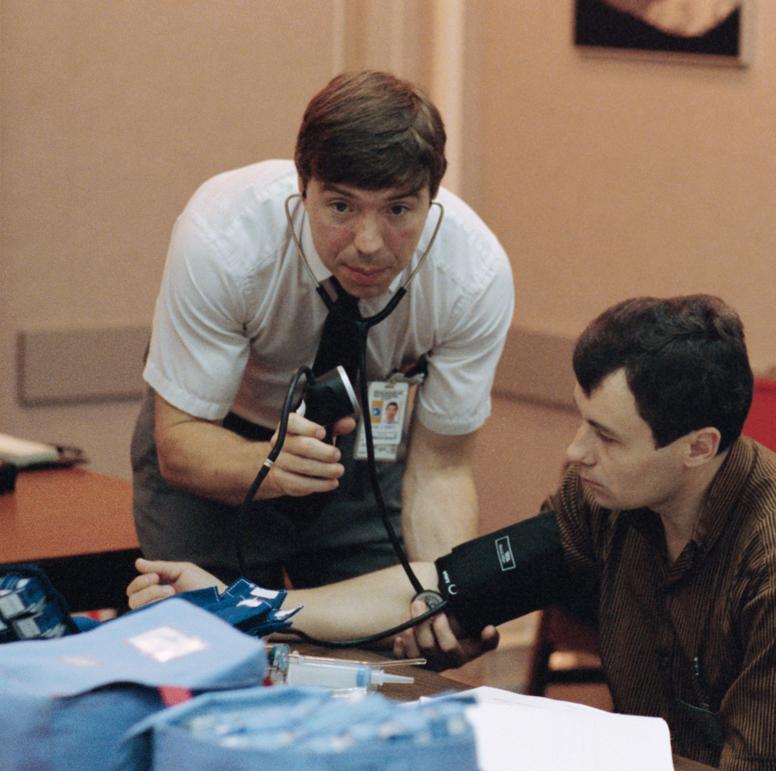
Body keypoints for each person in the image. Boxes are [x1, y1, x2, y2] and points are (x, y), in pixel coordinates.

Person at [128, 295, 776, 771]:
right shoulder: (612, 498)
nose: (574, 451)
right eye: (581, 420)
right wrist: (240, 603)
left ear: (698, 446)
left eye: (605, 435)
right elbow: (438, 586)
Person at [130, 70, 513, 589]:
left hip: (362, 453)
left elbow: (441, 469)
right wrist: (269, 463)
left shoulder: (473, 276)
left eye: (399, 209)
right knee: (217, 646)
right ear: (302, 188)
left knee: (392, 639)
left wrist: (448, 597)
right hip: (219, 441)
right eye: (340, 207)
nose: (369, 243)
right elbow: (179, 441)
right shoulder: (224, 239)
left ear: (432, 197)